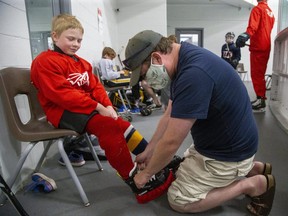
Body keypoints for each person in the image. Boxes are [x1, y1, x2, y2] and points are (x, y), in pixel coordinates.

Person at [123, 30, 276, 215]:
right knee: (178, 167)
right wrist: (150, 151)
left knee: (178, 199)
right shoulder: (185, 57)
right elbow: (169, 115)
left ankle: (250, 184)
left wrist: (145, 176)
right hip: (228, 143)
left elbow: (172, 141)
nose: (145, 80)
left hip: (227, 154)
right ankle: (253, 168)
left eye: (144, 74)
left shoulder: (193, 75)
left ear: (156, 57)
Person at [30, 14, 176, 203]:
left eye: (79, 40)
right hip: (62, 111)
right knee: (109, 127)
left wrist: (107, 105)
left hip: (84, 108)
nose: (75, 44)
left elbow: (96, 87)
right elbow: (62, 95)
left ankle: (154, 159)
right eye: (70, 38)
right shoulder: (44, 61)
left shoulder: (81, 63)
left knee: (120, 123)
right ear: (55, 36)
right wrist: (98, 106)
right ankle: (133, 181)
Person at [236, 0, 275, 112]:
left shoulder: (258, 9)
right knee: (260, 73)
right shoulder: (270, 12)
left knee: (256, 74)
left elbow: (253, 27)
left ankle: (261, 101)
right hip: (266, 45)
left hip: (258, 47)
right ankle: (260, 98)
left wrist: (244, 36)